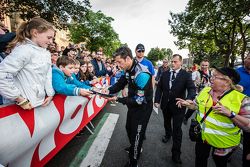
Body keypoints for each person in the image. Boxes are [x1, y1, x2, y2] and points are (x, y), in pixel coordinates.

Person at [176, 67, 250, 167]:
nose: (211, 78)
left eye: (215, 77)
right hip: (202, 137)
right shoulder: (205, 90)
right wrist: (188, 104)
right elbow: (197, 105)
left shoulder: (242, 99)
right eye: (212, 75)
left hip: (223, 143)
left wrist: (230, 114)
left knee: (220, 163)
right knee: (200, 160)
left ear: (227, 82)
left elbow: (248, 126)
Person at [102, 46, 153, 167]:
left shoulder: (142, 73)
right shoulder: (127, 69)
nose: (118, 65)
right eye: (116, 62)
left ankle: (133, 161)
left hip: (143, 107)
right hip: (133, 105)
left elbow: (139, 100)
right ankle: (135, 148)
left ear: (128, 58)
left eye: (120, 62)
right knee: (128, 128)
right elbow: (121, 83)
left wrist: (118, 99)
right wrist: (107, 90)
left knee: (136, 134)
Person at [0, 17, 55, 109]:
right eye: (49, 37)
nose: (51, 42)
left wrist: (50, 94)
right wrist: (19, 99)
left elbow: (47, 75)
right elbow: (2, 74)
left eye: (52, 38)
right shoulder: (23, 50)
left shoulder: (46, 53)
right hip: (20, 107)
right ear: (35, 33)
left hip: (39, 104)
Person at [154, 54, 196, 164]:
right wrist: (157, 100)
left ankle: (176, 154)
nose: (173, 63)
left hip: (179, 106)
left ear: (181, 63)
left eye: (175, 62)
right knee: (167, 123)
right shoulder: (165, 73)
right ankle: (168, 134)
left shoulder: (186, 75)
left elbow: (191, 88)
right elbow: (159, 88)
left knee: (177, 130)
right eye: (172, 61)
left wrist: (188, 99)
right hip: (166, 105)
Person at [236, 53, 250, 167]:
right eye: (249, 58)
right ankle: (227, 152)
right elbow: (228, 86)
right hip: (236, 110)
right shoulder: (237, 72)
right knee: (232, 133)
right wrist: (236, 88)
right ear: (245, 59)